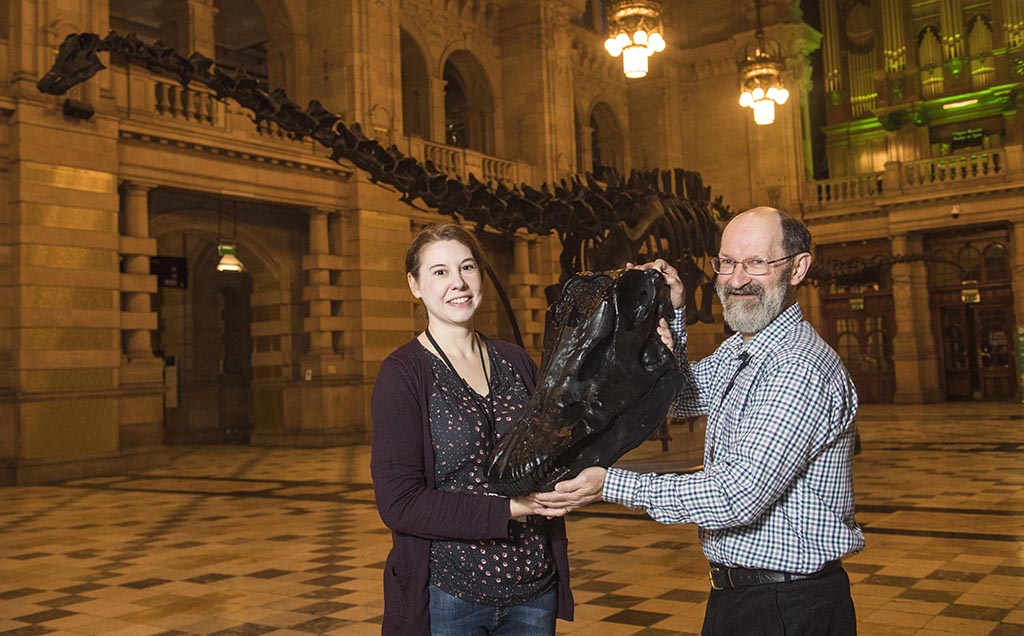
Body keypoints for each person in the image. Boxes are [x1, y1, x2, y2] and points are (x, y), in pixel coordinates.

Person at [532, 207, 864, 636]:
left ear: (797, 268)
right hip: (743, 596)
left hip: (788, 606)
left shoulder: (797, 367)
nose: (736, 278)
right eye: (726, 263)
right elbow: (681, 398)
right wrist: (673, 311)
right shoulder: (744, 351)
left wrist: (609, 484)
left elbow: (735, 495)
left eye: (757, 263)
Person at [370, 223, 574, 636]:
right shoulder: (402, 373)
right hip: (450, 595)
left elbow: (552, 451)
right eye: (440, 272)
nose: (458, 283)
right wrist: (512, 508)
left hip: (534, 588)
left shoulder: (515, 361)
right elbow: (400, 503)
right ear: (415, 285)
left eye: (467, 267)